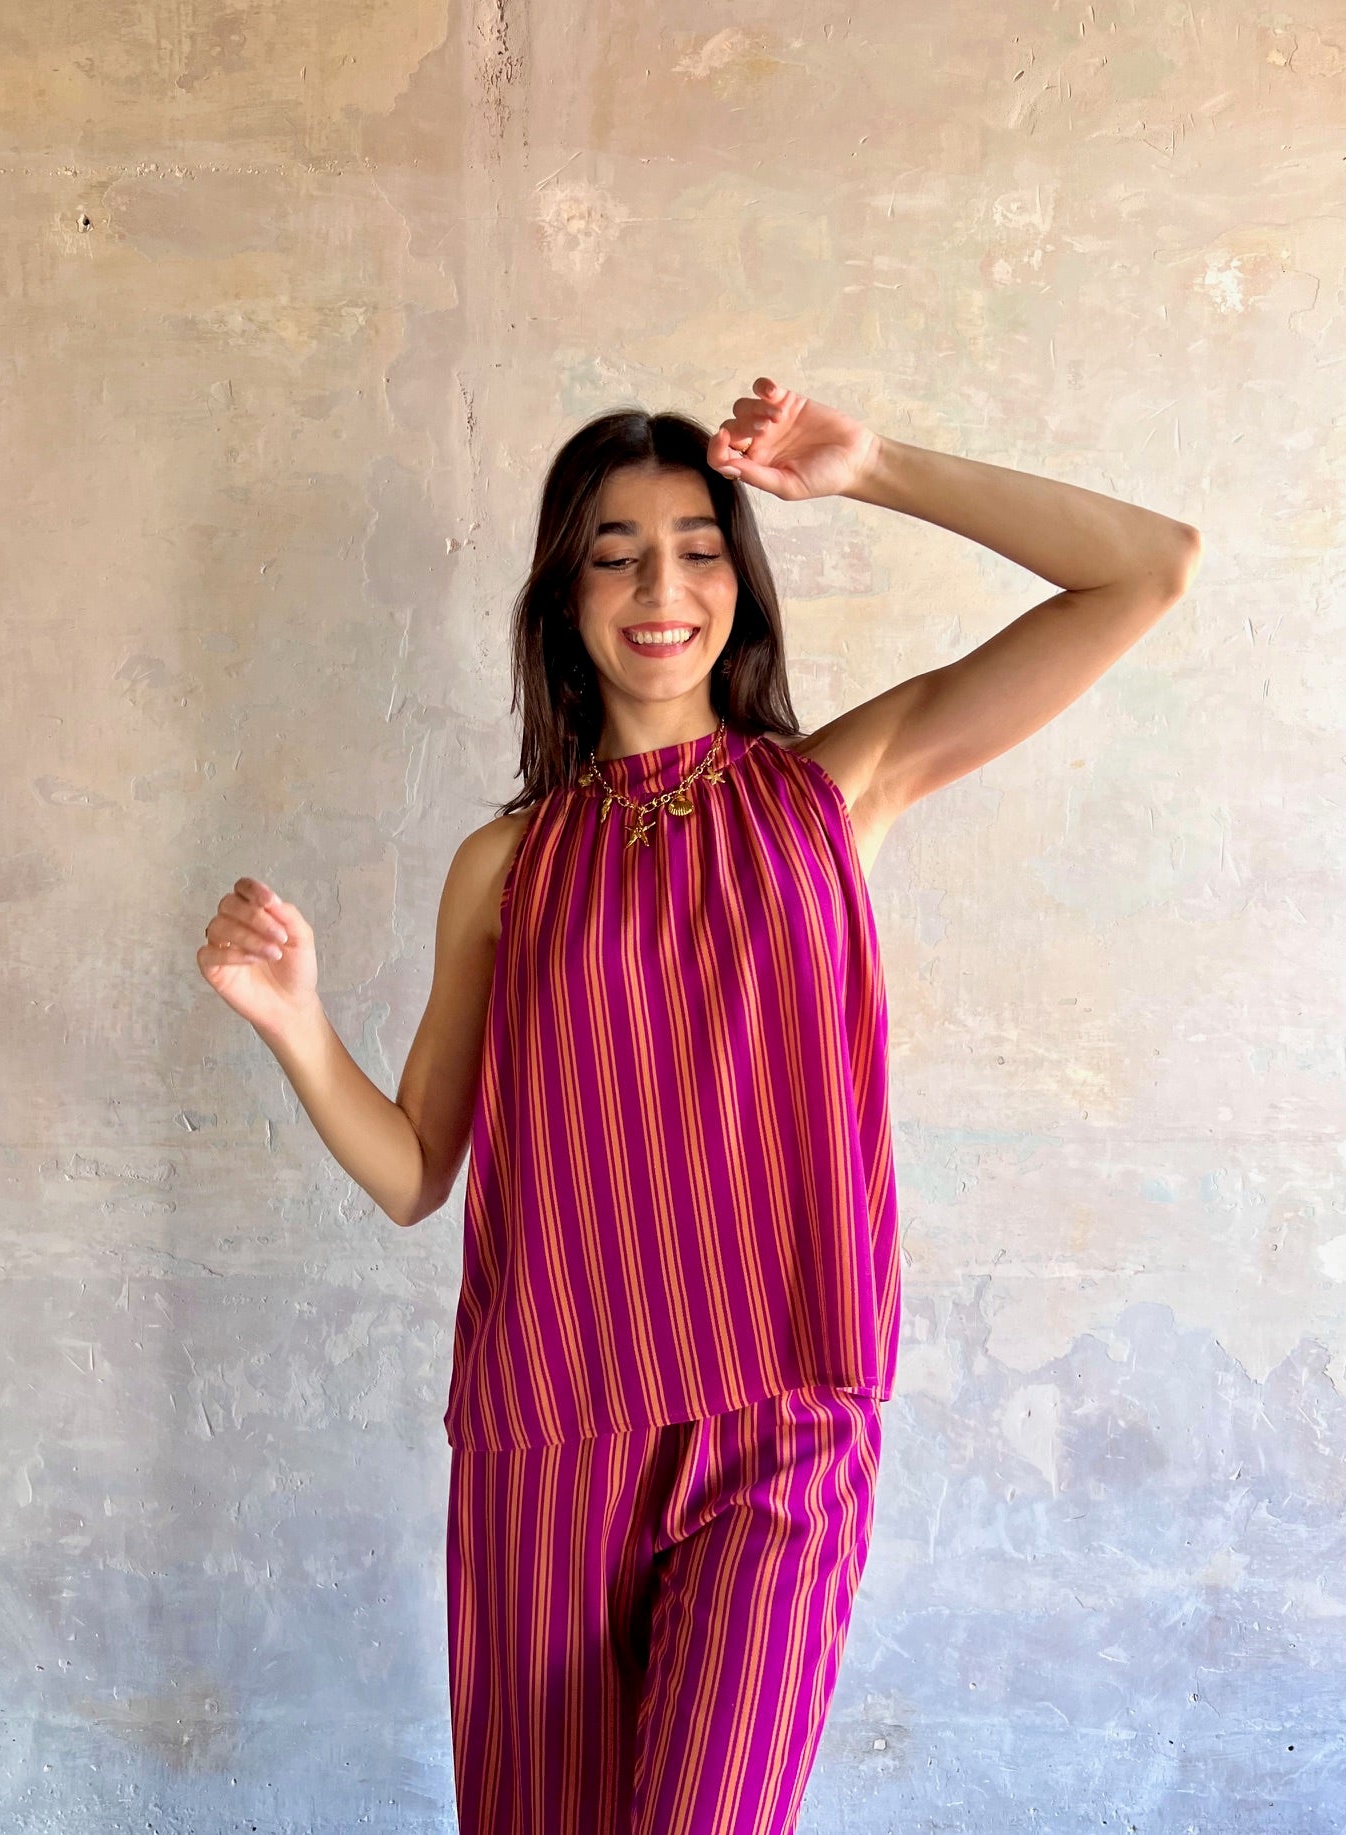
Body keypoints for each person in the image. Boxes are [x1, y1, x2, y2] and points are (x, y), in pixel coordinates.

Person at [197, 376, 1202, 1833]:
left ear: (743, 577)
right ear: (565, 596)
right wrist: (297, 1024)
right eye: (616, 555)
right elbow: (416, 1172)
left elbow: (1149, 569)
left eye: (699, 549)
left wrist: (876, 466)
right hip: (549, 1433)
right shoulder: (505, 866)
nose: (662, 590)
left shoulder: (828, 790)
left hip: (785, 1410)